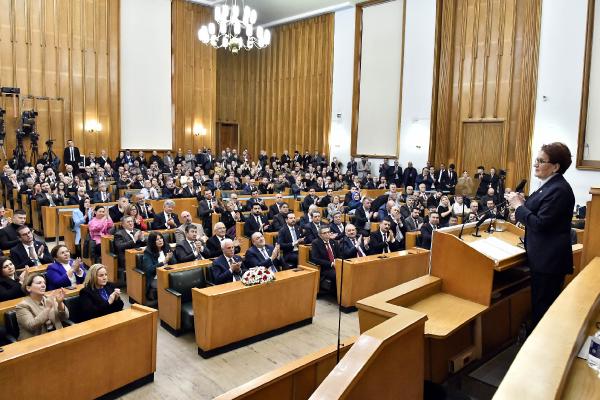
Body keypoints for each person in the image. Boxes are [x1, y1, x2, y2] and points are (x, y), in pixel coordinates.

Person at [506, 142, 575, 329]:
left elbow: (541, 224)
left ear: (555, 167)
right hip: (542, 257)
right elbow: (536, 209)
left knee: (543, 310)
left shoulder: (559, 190)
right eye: (536, 160)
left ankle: (538, 352)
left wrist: (519, 207)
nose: (535, 164)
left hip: (549, 261)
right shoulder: (548, 185)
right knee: (539, 305)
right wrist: (519, 203)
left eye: (540, 161)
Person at [15, 273, 69, 340]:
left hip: (57, 336)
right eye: (39, 283)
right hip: (35, 341)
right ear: (28, 288)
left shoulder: (49, 298)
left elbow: (65, 317)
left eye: (44, 283)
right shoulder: (22, 306)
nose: (43, 285)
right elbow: (31, 326)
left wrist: (60, 303)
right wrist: (47, 308)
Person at [142, 232, 176, 299]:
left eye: (161, 238)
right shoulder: (148, 252)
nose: (160, 240)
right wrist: (164, 262)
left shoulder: (167, 247)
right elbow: (149, 270)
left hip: (169, 275)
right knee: (174, 284)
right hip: (155, 278)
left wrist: (171, 258)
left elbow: (175, 263)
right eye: (157, 239)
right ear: (152, 242)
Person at [309, 226, 338, 292]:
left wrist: (338, 262)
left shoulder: (334, 242)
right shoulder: (316, 243)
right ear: (320, 235)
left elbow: (339, 255)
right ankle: (337, 293)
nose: (327, 234)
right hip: (325, 268)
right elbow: (315, 259)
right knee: (337, 274)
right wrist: (331, 264)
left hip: (337, 265)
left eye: (328, 232)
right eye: (325, 233)